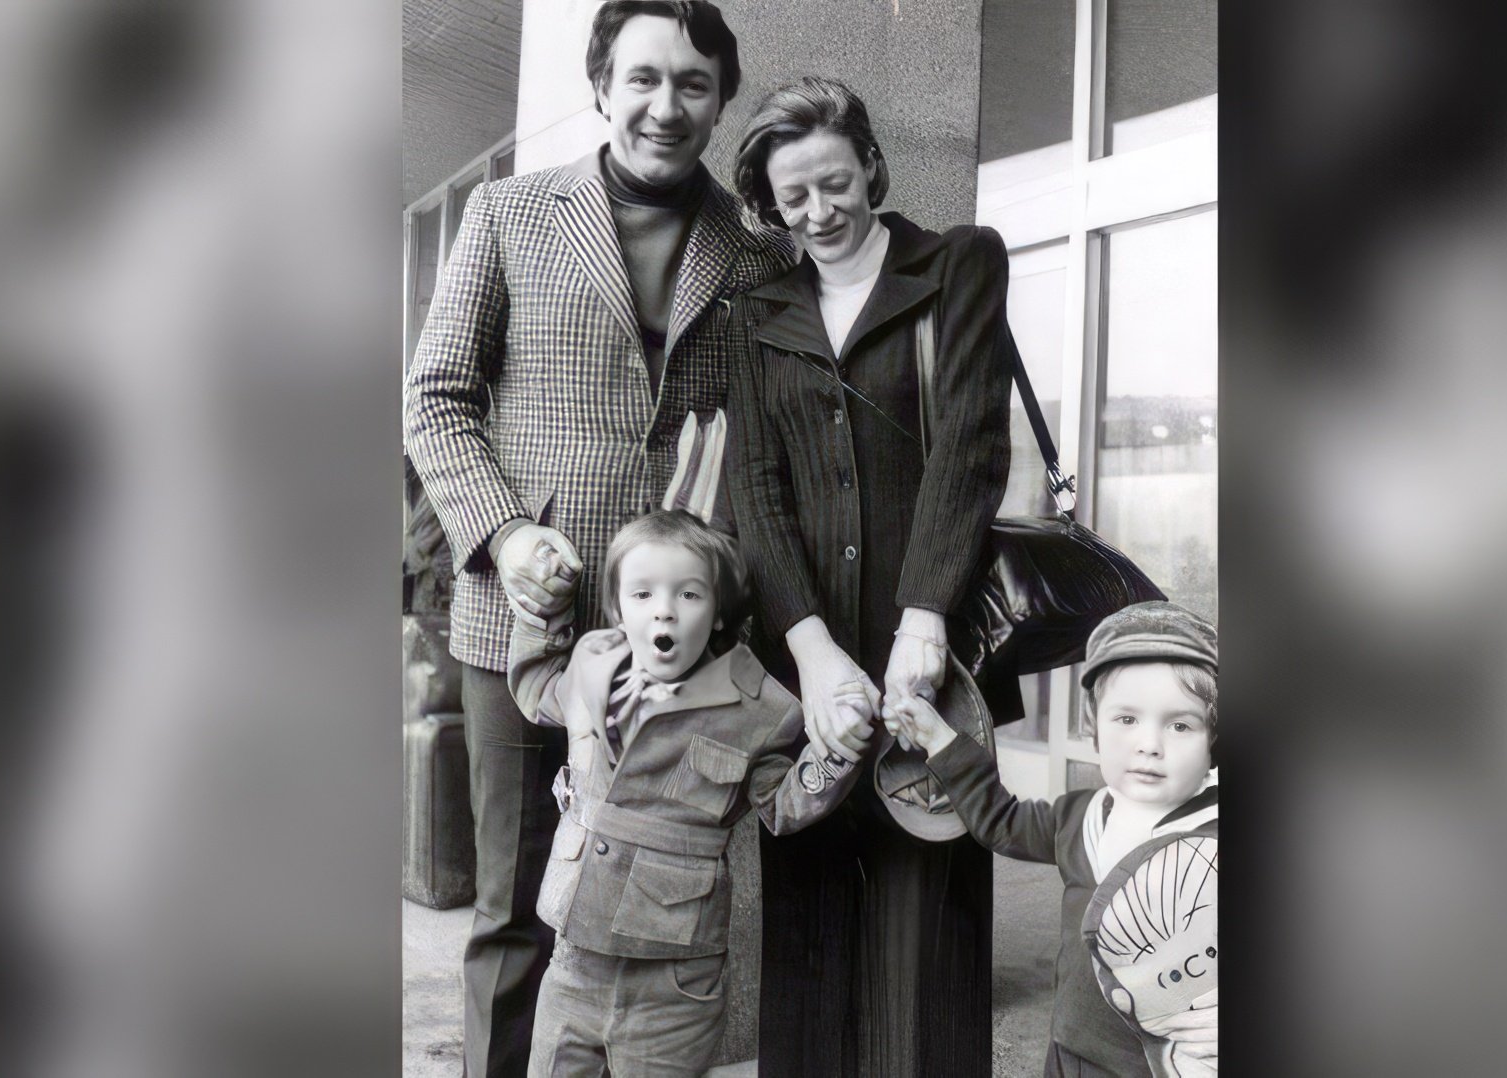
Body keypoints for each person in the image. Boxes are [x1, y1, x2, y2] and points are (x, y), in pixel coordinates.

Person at [402, 4, 792, 1074]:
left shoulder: (756, 257)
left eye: (695, 84)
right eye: (644, 79)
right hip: (521, 624)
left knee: (651, 912)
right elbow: (435, 396)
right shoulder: (508, 212)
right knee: (516, 912)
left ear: (721, 98)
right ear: (600, 84)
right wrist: (504, 532)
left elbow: (768, 446)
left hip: (680, 646)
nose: (667, 106)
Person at [725, 76, 1016, 1078]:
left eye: (835, 182)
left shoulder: (958, 265)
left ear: (871, 164)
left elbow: (972, 448)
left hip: (938, 665)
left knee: (923, 959)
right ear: (768, 203)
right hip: (802, 676)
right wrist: (809, 655)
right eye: (793, 197)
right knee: (805, 959)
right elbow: (754, 490)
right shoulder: (756, 309)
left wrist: (923, 623)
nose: (819, 212)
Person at [507, 510, 873, 1077]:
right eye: (643, 593)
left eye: (689, 594)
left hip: (674, 982)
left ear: (719, 610)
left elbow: (782, 803)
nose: (664, 610)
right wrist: (546, 614)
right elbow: (535, 690)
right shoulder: (595, 674)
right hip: (574, 962)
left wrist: (838, 751)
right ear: (617, 608)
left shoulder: (758, 708)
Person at [884, 602, 1223, 1077]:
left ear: (1214, 739)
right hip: (1072, 1048)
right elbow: (1001, 821)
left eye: (1180, 725)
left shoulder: (1214, 841)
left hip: (1164, 1065)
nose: (1150, 744)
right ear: (1093, 725)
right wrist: (941, 739)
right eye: (1127, 719)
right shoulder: (1080, 816)